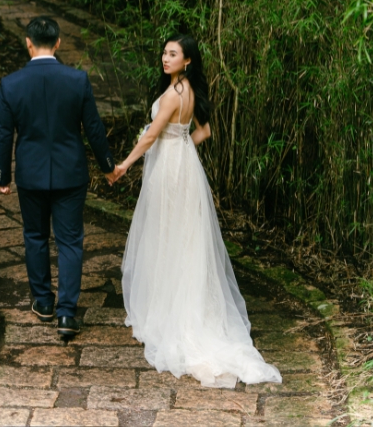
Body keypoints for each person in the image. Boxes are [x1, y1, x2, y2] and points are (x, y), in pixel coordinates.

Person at [108, 35, 281, 388]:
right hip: (185, 164)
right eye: (164, 52)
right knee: (182, 237)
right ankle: (178, 304)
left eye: (173, 54)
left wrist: (124, 164)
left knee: (165, 235)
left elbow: (150, 136)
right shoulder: (188, 91)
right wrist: (181, 141)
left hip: (170, 170)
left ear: (187, 60)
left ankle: (168, 316)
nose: (165, 57)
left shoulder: (173, 95)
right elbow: (205, 131)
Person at [0, 16, 116, 338]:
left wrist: (2, 176)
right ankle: (66, 314)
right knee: (70, 241)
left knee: (35, 237)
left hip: (31, 174)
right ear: (59, 43)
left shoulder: (11, 84)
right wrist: (108, 167)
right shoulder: (77, 80)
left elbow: (4, 134)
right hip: (70, 173)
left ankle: (44, 303)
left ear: (28, 43)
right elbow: (93, 129)